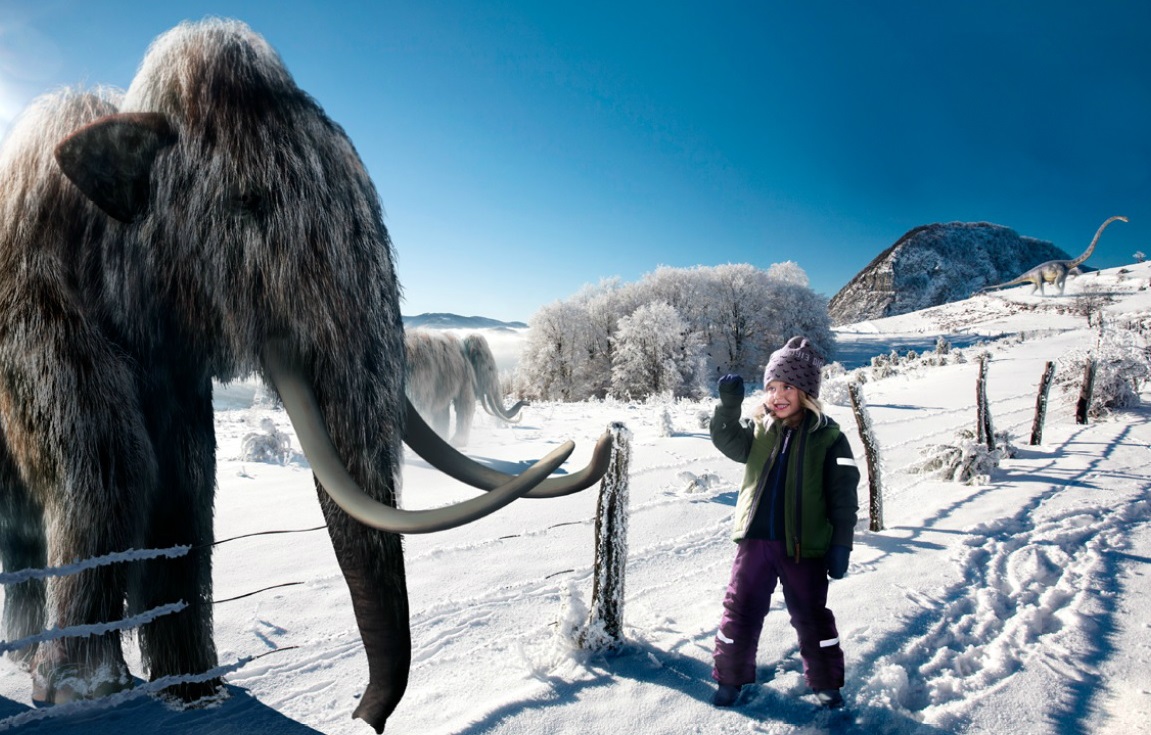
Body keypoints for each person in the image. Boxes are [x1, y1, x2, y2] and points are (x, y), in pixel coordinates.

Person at [707, 336, 860, 709]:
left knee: (811, 616)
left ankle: (826, 684)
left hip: (803, 546)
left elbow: (844, 495)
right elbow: (728, 440)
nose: (777, 394)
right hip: (755, 542)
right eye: (772, 386)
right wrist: (728, 408)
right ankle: (729, 678)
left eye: (787, 386)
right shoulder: (761, 429)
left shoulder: (828, 437)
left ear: (806, 391)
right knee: (739, 610)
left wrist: (841, 543)